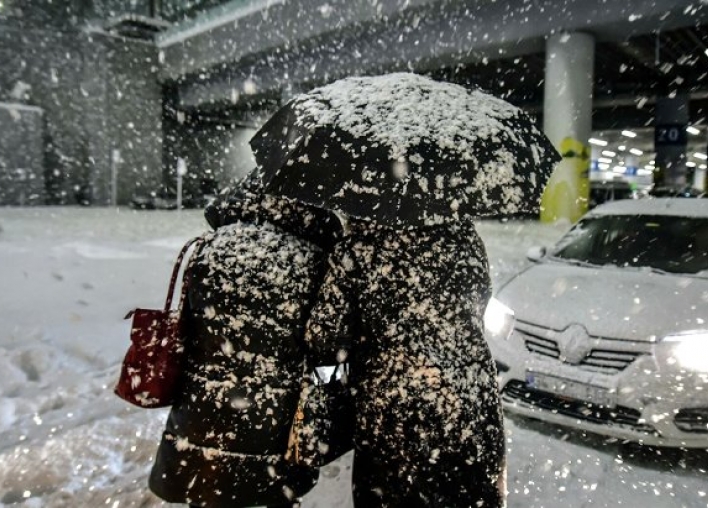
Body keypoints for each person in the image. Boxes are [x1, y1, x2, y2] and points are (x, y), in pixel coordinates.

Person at [148, 167, 342, 508]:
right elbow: (323, 348)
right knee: (267, 494)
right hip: (272, 423)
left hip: (202, 417)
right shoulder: (314, 262)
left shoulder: (210, 248)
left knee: (206, 491)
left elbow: (193, 329)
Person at [305, 218, 506, 508]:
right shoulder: (465, 240)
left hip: (393, 412)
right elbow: (477, 308)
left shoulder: (358, 250)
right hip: (469, 404)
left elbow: (324, 338)